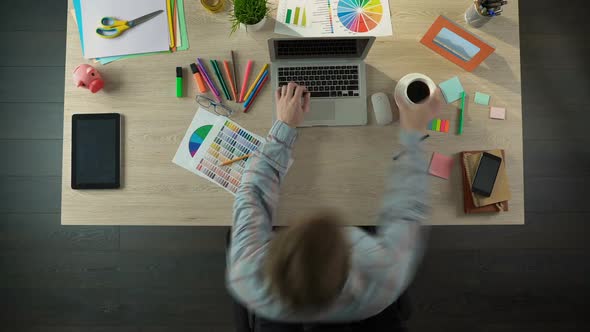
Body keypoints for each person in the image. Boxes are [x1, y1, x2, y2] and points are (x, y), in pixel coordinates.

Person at [226, 82, 442, 331]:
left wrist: (283, 126)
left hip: (276, 310)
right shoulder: (383, 277)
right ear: (349, 261)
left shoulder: (247, 272)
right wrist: (413, 134)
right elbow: (408, 210)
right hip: (363, 308)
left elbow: (252, 193)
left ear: (274, 250)